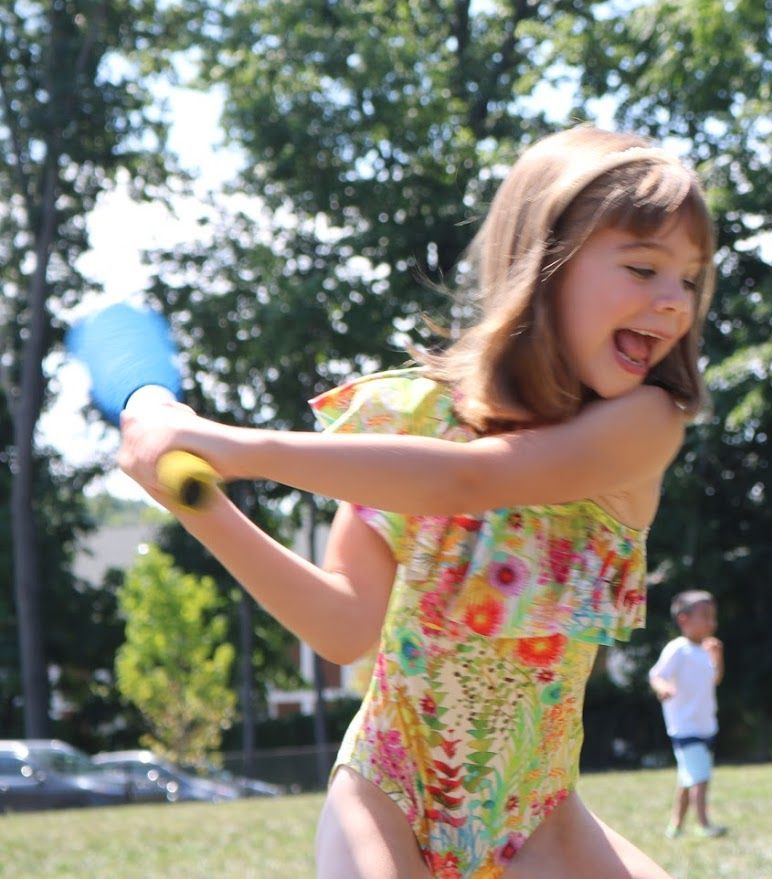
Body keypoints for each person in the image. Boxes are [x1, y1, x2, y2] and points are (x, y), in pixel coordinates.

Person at [117, 126, 716, 879]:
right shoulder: (409, 426)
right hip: (386, 793)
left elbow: (469, 480)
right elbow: (341, 625)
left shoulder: (644, 425)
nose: (673, 303)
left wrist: (233, 445)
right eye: (642, 267)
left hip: (538, 818)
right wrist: (199, 501)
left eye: (689, 279)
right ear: (543, 264)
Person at [648, 590, 727, 839]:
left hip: (705, 725)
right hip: (685, 726)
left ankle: (676, 826)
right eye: (705, 616)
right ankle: (704, 824)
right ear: (683, 619)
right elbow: (656, 674)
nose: (711, 622)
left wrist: (718, 657)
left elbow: (714, 679)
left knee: (687, 778)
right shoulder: (678, 649)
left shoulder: (704, 651)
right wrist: (664, 688)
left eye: (713, 616)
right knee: (700, 777)